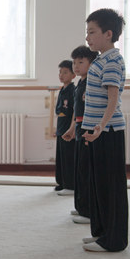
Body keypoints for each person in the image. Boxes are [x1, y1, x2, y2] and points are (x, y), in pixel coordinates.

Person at [81, 8, 128, 253]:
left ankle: (114, 240)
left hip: (107, 132)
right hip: (96, 131)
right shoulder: (100, 59)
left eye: (92, 32)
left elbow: (113, 99)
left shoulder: (113, 60)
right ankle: (101, 233)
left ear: (108, 33)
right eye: (86, 32)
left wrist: (101, 126)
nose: (87, 37)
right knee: (98, 185)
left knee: (110, 187)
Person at [62, 45, 98, 225]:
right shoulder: (80, 84)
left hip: (87, 129)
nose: (76, 66)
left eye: (81, 62)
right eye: (74, 62)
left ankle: (89, 211)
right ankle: (81, 206)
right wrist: (71, 129)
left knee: (86, 171)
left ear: (91, 64)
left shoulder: (92, 82)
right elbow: (76, 110)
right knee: (79, 170)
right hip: (78, 127)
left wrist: (87, 131)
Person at [54, 60, 76, 196]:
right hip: (61, 128)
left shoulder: (73, 90)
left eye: (65, 72)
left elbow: (74, 110)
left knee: (69, 158)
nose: (61, 75)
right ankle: (61, 182)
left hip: (69, 129)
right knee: (61, 157)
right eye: (60, 72)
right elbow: (59, 110)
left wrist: (72, 129)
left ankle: (70, 184)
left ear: (73, 75)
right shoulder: (62, 90)